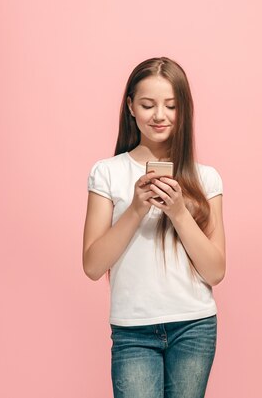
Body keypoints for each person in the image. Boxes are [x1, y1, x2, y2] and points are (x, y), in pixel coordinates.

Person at [82, 56, 226, 398]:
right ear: (130, 107)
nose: (159, 115)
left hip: (194, 326)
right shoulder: (107, 173)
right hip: (133, 331)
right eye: (148, 104)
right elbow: (92, 265)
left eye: (170, 105)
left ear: (184, 110)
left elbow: (215, 270)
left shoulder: (206, 178)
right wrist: (135, 208)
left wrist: (178, 211)